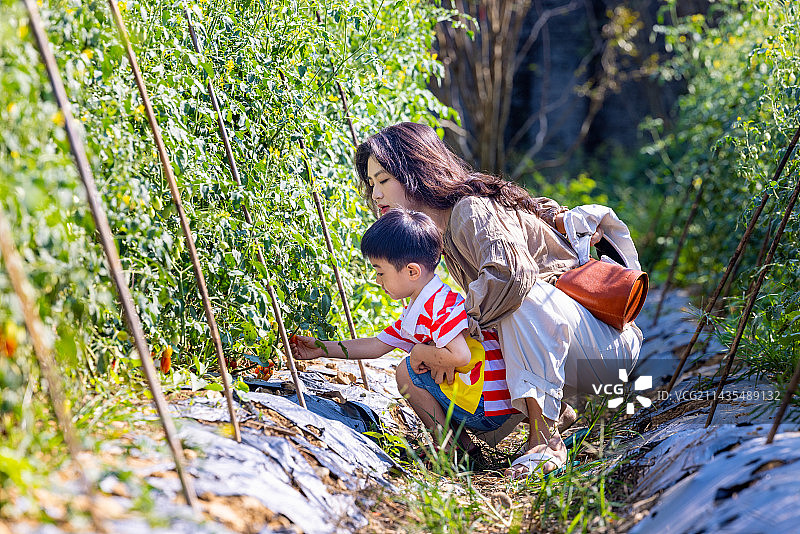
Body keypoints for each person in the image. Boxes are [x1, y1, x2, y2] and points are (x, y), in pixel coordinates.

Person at [354, 122, 643, 478]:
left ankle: (545, 440)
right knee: (423, 360)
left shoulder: (469, 210)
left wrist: (459, 332)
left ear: (416, 170)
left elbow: (513, 275)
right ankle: (470, 450)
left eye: (383, 180)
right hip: (579, 349)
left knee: (518, 294)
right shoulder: (444, 230)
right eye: (371, 185)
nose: (376, 195)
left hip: (605, 349)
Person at [290, 208, 518, 463]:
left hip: (485, 406)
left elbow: (461, 356)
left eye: (380, 272)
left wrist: (419, 352)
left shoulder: (439, 306)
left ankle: (446, 447)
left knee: (407, 371)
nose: (377, 281)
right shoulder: (426, 304)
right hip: (484, 400)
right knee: (416, 366)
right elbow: (377, 345)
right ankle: (464, 448)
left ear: (412, 271)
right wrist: (322, 348)